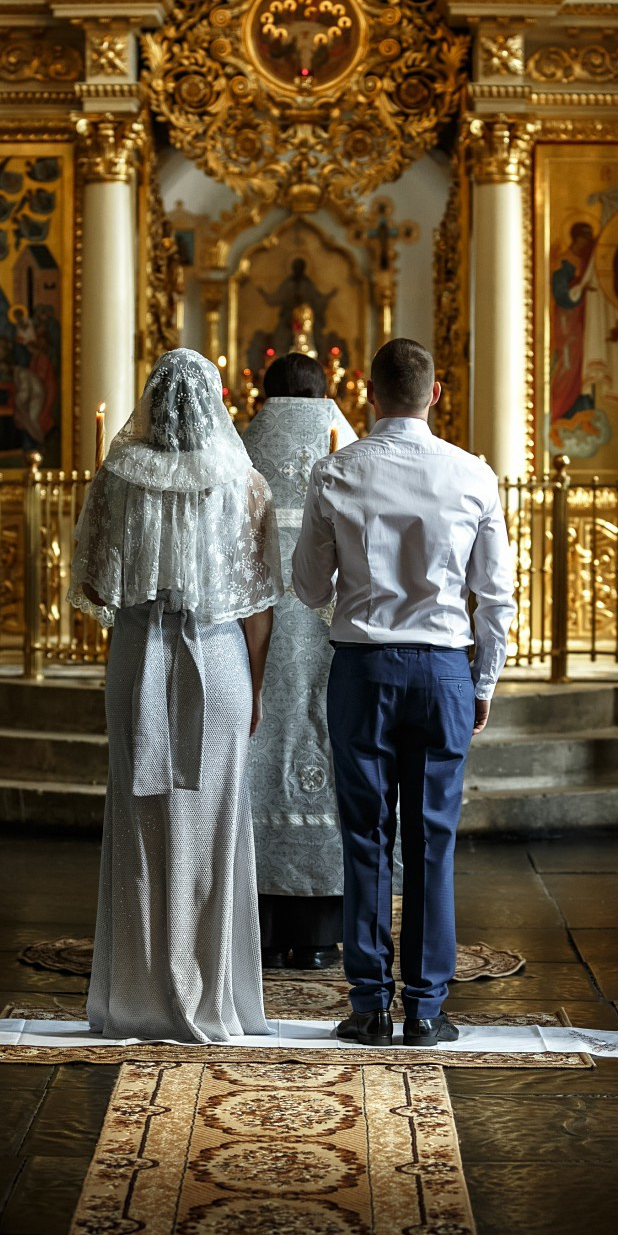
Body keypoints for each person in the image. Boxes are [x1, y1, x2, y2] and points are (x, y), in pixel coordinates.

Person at [292, 338, 516, 1049]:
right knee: (431, 840)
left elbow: (305, 586)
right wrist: (482, 683)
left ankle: (367, 1005)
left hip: (362, 667)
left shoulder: (336, 471)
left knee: (363, 837)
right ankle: (424, 1008)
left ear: (367, 392)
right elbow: (496, 600)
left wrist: (357, 589)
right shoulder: (474, 475)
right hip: (444, 670)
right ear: (435, 393)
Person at [68, 349, 283, 1043]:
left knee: (140, 819)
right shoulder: (242, 482)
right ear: (216, 403)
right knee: (215, 820)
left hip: (139, 659)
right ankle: (215, 996)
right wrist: (252, 686)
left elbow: (96, 588)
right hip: (217, 661)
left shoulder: (115, 479)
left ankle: (138, 998)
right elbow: (258, 602)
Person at [241, 351, 360, 970]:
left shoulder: (237, 450)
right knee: (329, 759)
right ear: (327, 392)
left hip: (249, 641)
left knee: (257, 756)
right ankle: (320, 934)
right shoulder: (354, 451)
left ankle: (256, 925)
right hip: (337, 640)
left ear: (262, 393)